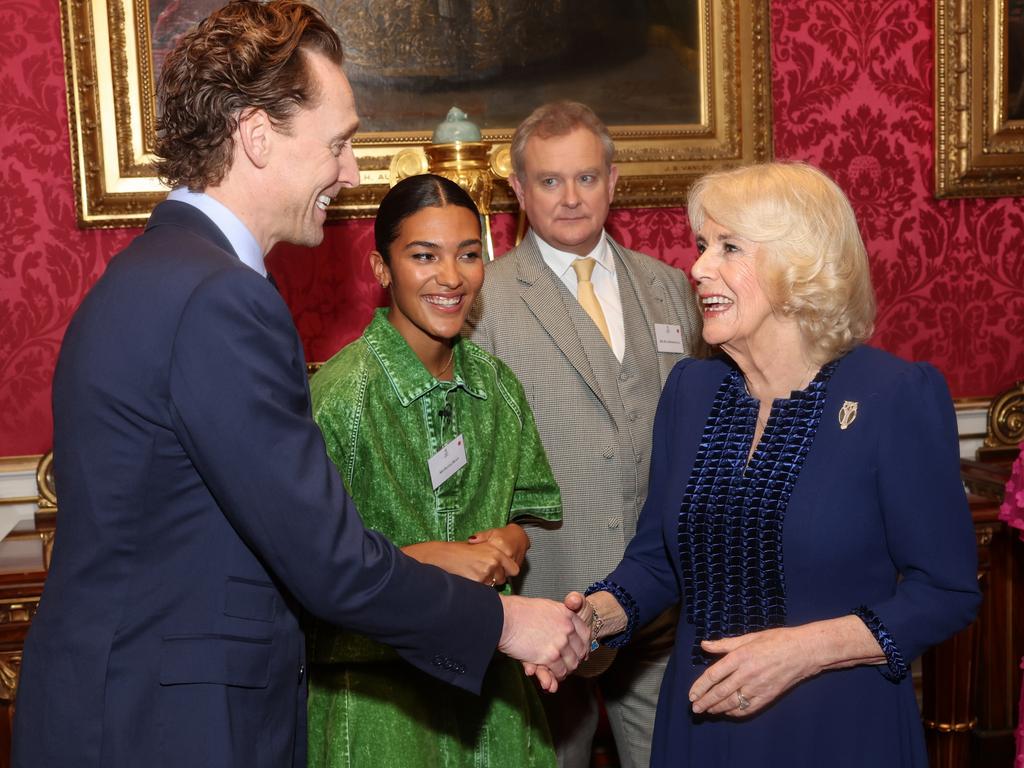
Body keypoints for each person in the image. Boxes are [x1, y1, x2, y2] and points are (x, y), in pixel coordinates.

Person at [11, 4, 588, 767]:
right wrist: (506, 623)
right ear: (257, 136)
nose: (351, 173)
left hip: (121, 704)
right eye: (340, 143)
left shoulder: (150, 273)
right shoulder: (221, 299)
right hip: (171, 727)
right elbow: (330, 563)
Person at [572, 161, 982, 767]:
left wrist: (804, 650)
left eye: (728, 247)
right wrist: (594, 619)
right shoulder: (691, 390)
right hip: (702, 724)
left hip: (838, 728)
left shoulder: (894, 396)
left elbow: (946, 592)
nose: (698, 268)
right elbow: (658, 558)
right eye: (703, 245)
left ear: (801, 265)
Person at [467, 101, 701, 768]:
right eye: (549, 181)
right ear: (518, 189)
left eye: (587, 178)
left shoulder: (671, 290)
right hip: (546, 613)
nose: (571, 198)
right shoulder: (484, 301)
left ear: (613, 180)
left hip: (661, 612)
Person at [306, 173, 559, 768]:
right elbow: (310, 574)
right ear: (381, 268)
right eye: (424, 256)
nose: (451, 277)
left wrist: (510, 540)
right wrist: (430, 557)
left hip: (493, 706)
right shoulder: (341, 398)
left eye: (468, 255)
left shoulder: (495, 385)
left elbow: (529, 505)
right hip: (377, 714)